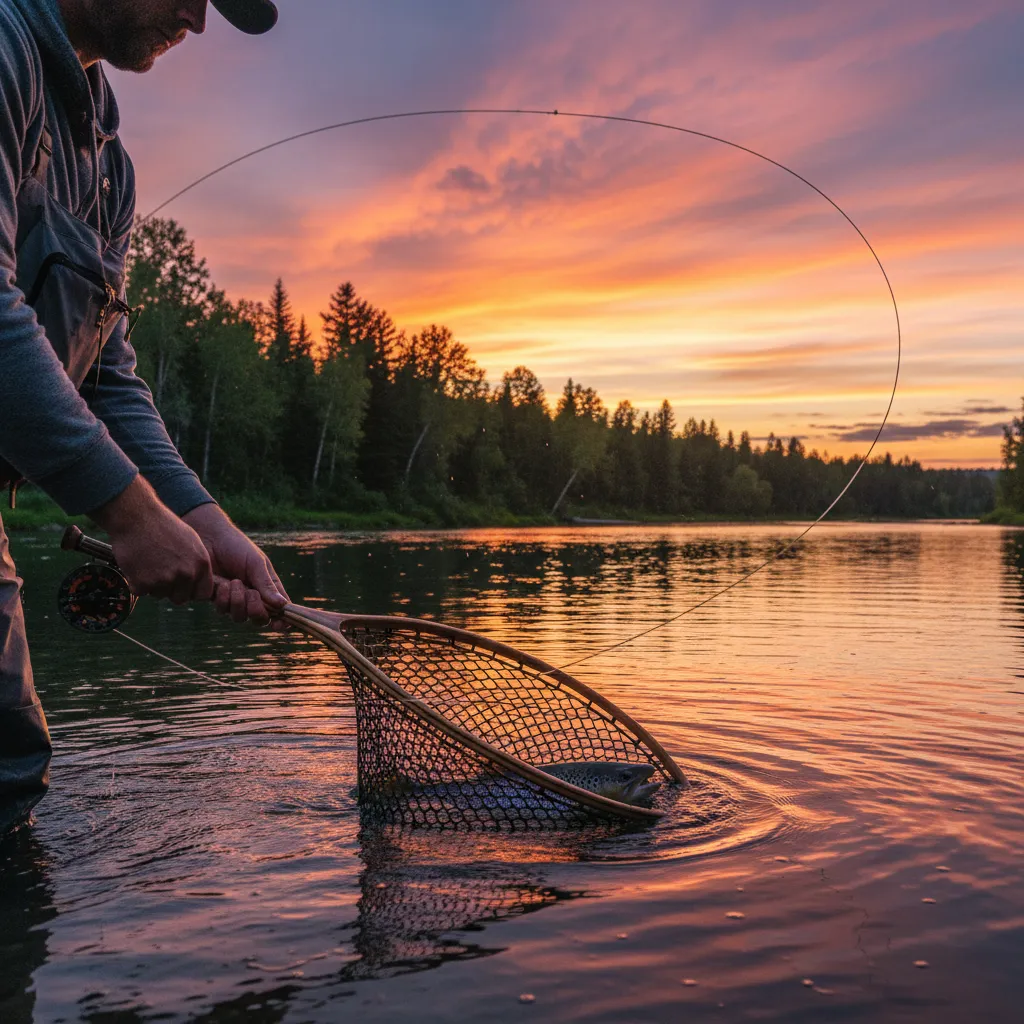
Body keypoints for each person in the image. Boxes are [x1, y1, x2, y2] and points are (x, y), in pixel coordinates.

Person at [0, 0, 284, 836]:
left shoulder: (110, 171)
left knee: (11, 768)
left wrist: (203, 520)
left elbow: (106, 375)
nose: (197, 23)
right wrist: (126, 512)